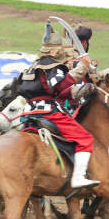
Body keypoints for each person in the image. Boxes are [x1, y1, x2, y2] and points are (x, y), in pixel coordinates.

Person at [17, 21, 99, 189]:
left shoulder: (33, 66)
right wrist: (82, 67)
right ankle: (78, 177)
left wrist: (78, 90)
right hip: (49, 112)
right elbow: (60, 85)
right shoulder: (52, 65)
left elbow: (52, 90)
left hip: (27, 112)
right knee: (85, 138)